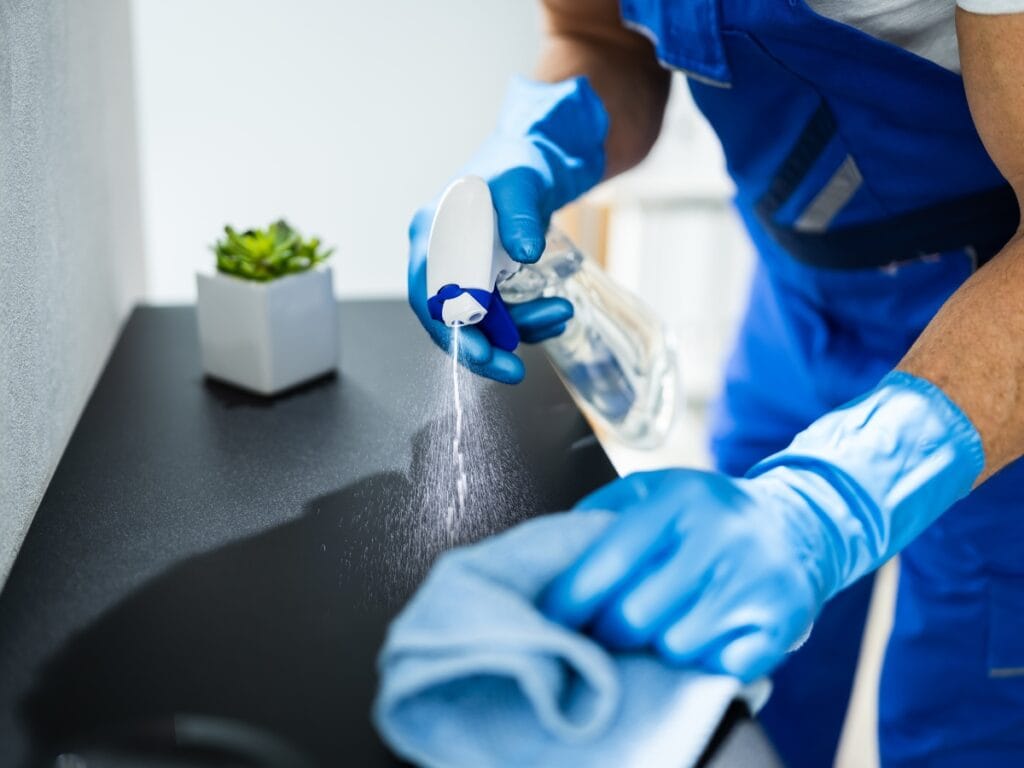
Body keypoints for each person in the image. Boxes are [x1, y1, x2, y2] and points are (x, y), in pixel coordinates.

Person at [407, 1, 1024, 765]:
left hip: (998, 340)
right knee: (733, 689)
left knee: (963, 722)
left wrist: (828, 506)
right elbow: (595, 36)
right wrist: (535, 145)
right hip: (798, 308)